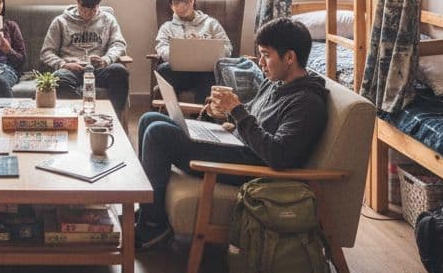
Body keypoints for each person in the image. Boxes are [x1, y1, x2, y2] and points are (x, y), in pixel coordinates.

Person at [135, 17, 329, 250]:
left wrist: (237, 111)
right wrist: (223, 117)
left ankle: (154, 225)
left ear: (289, 58)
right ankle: (148, 212)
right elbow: (254, 120)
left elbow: (278, 155)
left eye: (266, 55)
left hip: (254, 166)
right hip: (239, 145)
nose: (261, 62)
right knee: (149, 119)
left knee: (158, 134)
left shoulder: (307, 102)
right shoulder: (276, 83)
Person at [39, 0, 130, 120]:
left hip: (98, 69)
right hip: (71, 69)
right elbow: (46, 52)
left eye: (92, 9)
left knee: (120, 71)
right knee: (59, 79)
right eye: (83, 8)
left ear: (98, 4)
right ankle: (81, 118)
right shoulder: (60, 22)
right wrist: (64, 64)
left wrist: (106, 59)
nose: (87, 13)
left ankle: (113, 120)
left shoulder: (108, 20)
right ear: (76, 1)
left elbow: (119, 44)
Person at [153, 0, 232, 104]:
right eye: (176, 3)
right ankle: (175, 113)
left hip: (206, 71)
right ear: (171, 6)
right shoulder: (167, 27)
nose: (181, 7)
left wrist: (205, 44)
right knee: (163, 69)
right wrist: (183, 49)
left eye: (185, 2)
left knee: (209, 75)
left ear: (192, 1)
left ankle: (203, 117)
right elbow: (161, 48)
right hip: (180, 73)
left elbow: (228, 49)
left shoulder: (211, 24)